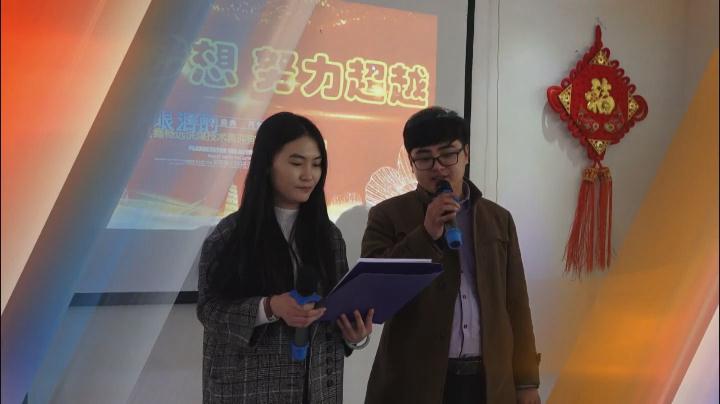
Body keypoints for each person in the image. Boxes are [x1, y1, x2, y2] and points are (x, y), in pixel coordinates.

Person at [361, 107, 541, 404]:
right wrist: (425, 234)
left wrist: (527, 381)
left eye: (448, 154)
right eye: (424, 158)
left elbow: (517, 304)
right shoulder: (387, 215)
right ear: (411, 163)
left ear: (466, 153)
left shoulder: (498, 219)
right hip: (414, 383)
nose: (438, 167)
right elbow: (375, 293)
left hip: (489, 382)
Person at [197, 112, 373, 404]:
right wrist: (269, 307)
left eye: (317, 164)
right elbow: (209, 311)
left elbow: (333, 311)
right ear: (267, 164)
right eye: (296, 163)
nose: (309, 175)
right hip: (247, 389)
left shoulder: (329, 236)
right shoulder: (231, 233)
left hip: (317, 389)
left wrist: (353, 334)